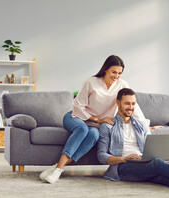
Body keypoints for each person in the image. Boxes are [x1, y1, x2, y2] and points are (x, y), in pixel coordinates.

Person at [40, 55, 146, 184]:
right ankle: (58, 170)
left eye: (119, 73)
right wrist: (98, 119)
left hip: (95, 125)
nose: (116, 76)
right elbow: (77, 106)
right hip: (77, 117)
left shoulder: (122, 84)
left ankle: (56, 167)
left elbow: (133, 105)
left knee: (94, 136)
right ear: (106, 69)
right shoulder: (91, 82)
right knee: (82, 129)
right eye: (114, 72)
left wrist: (144, 125)